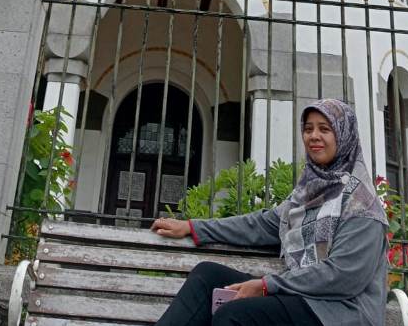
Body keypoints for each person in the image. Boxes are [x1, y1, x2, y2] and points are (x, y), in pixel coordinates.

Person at [151, 98, 388, 326]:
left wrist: (267, 285)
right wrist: (193, 227)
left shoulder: (361, 205)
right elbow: (262, 224)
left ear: (344, 136)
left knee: (235, 315)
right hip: (301, 297)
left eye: (324, 129)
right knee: (207, 277)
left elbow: (342, 276)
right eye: (308, 129)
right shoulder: (309, 192)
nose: (314, 136)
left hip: (341, 312)